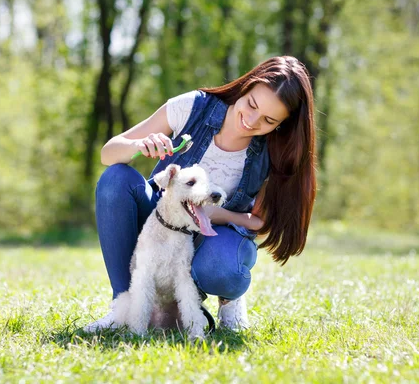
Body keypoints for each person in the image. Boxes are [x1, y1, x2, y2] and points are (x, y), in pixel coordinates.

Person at [85, 55, 317, 332]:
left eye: (268, 119)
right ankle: (124, 306)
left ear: (281, 123)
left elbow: (262, 222)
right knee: (115, 179)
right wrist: (140, 145)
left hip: (213, 236)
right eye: (251, 104)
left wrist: (218, 215)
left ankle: (229, 300)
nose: (252, 121)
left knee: (222, 268)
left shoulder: (276, 149)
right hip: (163, 222)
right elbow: (108, 153)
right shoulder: (193, 106)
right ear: (245, 87)